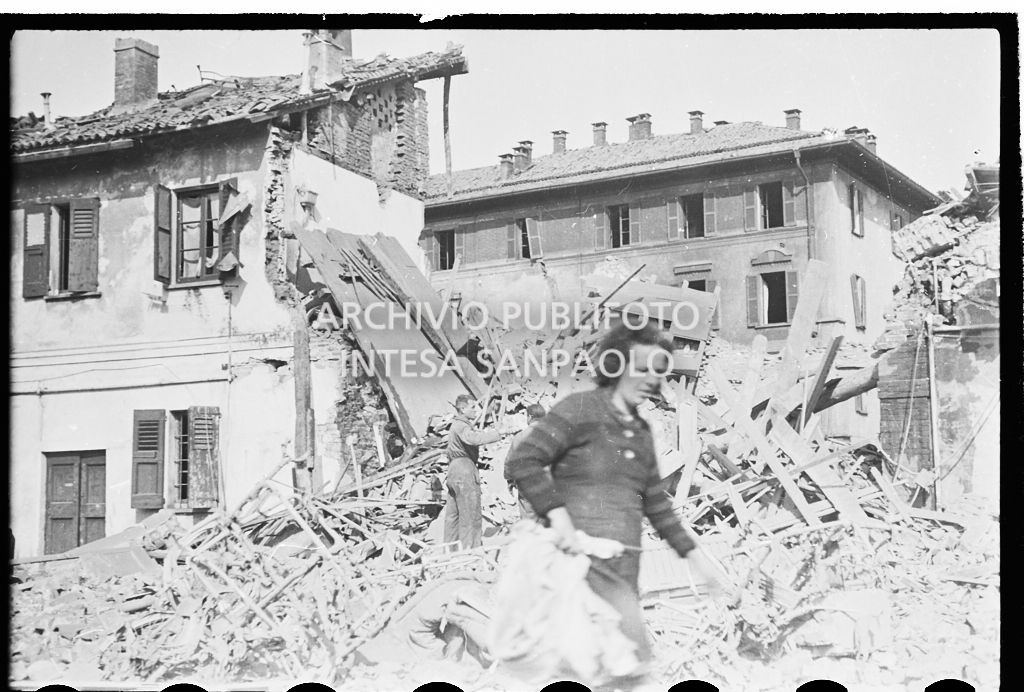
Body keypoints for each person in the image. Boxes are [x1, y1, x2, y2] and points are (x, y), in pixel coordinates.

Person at [506, 321, 725, 669]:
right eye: (642, 369)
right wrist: (559, 519)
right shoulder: (579, 410)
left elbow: (657, 506)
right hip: (577, 574)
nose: (652, 380)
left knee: (626, 667)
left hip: (623, 572)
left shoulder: (640, 431)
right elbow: (525, 460)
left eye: (659, 371)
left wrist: (700, 563)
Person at [444, 394, 501, 551]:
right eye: (472, 407)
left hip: (453, 471)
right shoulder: (462, 426)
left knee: (453, 517)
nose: (476, 410)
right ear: (463, 409)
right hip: (465, 470)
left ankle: (449, 553)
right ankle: (472, 553)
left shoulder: (456, 425)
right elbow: (473, 439)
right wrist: (497, 434)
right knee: (471, 514)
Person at [504, 403, 546, 521]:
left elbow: (510, 462)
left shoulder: (520, 437)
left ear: (530, 417)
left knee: (529, 520)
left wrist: (509, 479)